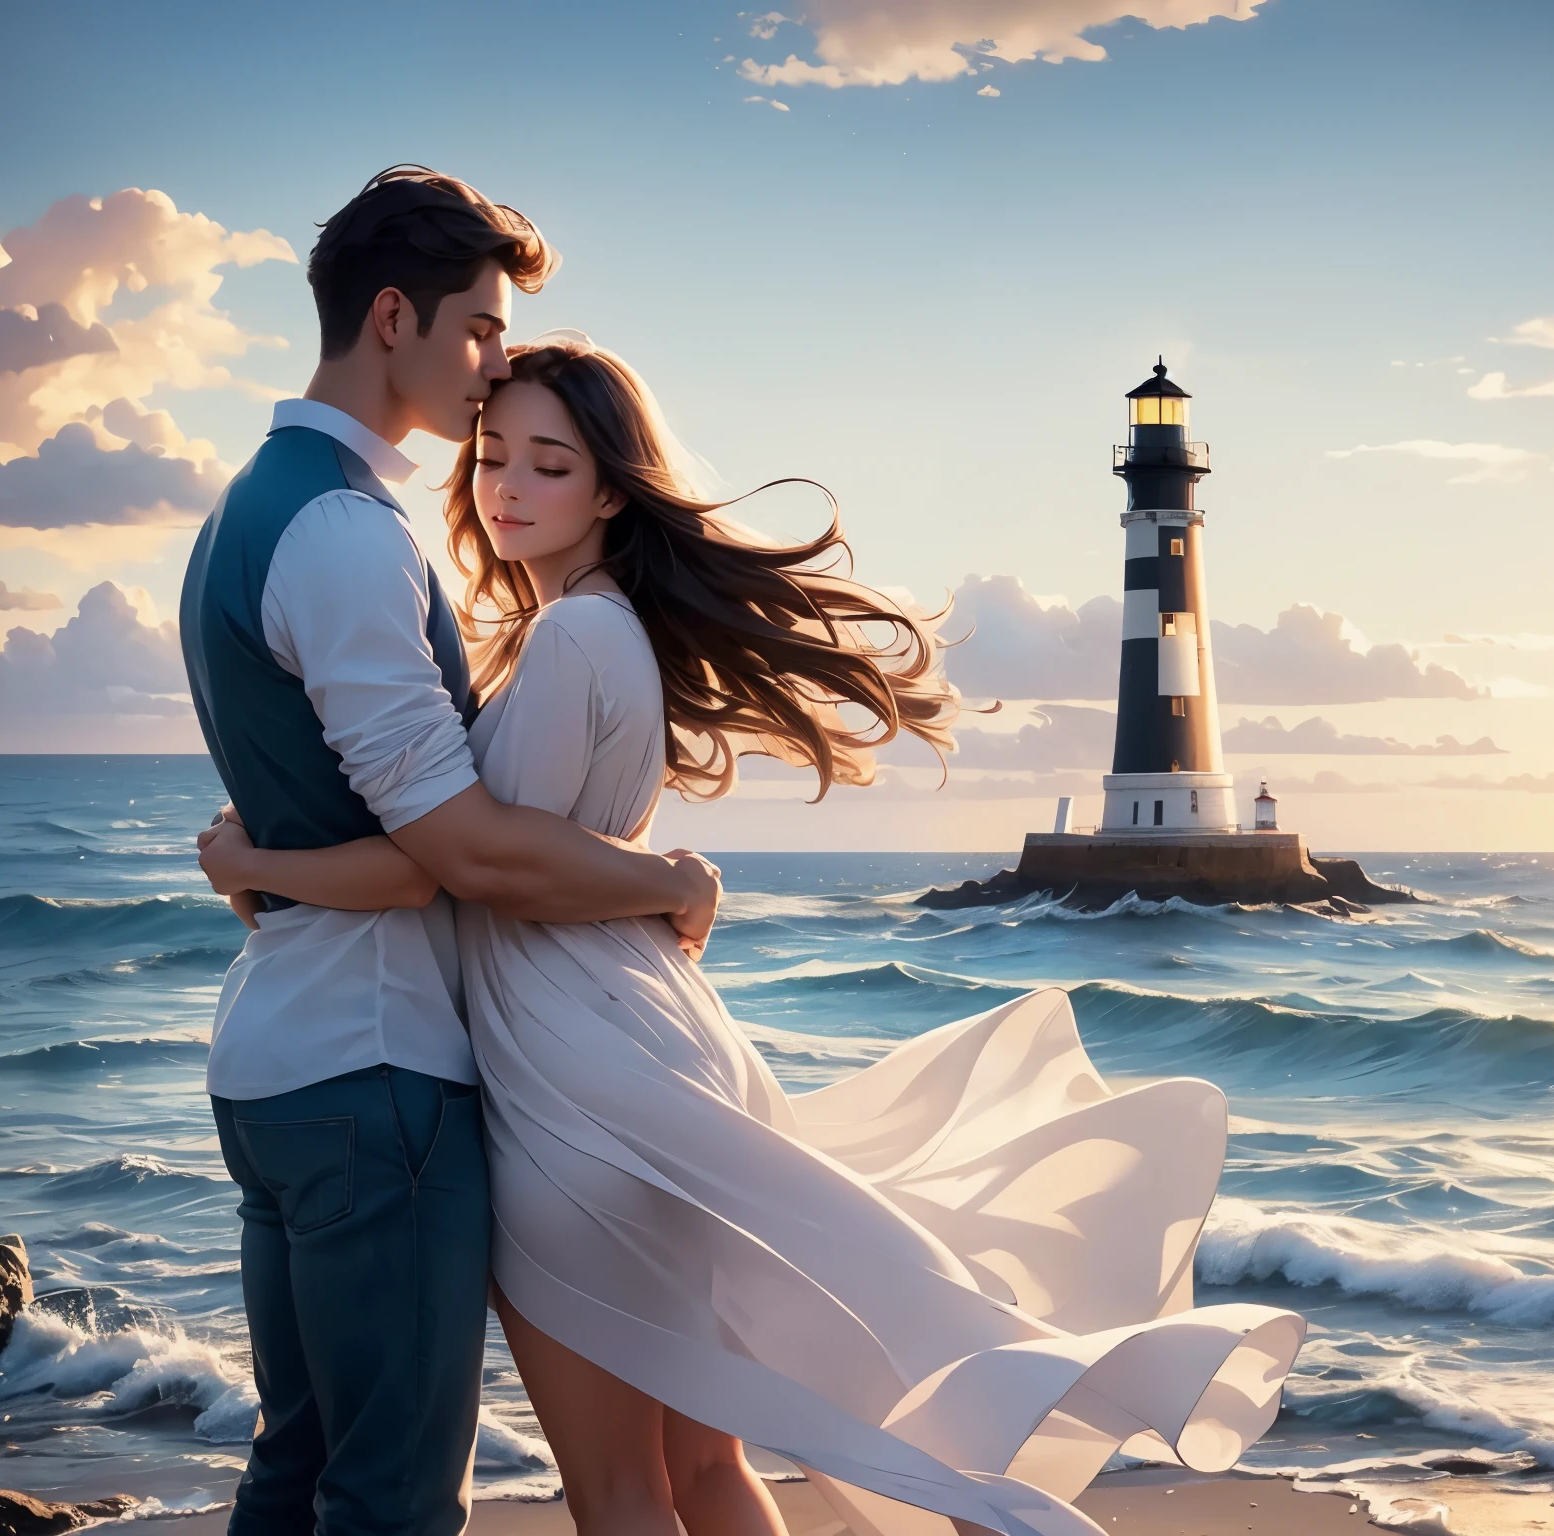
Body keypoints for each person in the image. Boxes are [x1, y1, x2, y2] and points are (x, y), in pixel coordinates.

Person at [197, 339, 1307, 1536]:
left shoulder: (569, 636)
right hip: (644, 1042)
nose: (504, 487)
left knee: (617, 1487)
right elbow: (508, 850)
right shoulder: (600, 627)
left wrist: (255, 863)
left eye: (549, 465)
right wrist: (662, 876)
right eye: (492, 456)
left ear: (612, 490)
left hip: (573, 1079)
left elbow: (474, 866)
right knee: (705, 1465)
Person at [180, 170, 723, 1536]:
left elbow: (339, 818)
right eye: (478, 330)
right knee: (392, 1500)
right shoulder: (345, 533)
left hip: (283, 1060)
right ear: (389, 320)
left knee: (299, 1472)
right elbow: (450, 853)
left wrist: (254, 866)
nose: (490, 372)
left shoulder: (247, 509)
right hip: (375, 1073)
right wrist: (667, 881)